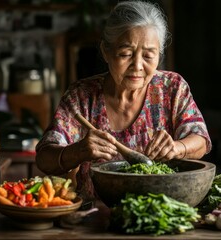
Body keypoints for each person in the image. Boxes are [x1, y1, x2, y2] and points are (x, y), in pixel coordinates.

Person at [35, 0, 211, 200]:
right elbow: (44, 158)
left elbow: (201, 140)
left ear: (159, 55)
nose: (137, 66)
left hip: (160, 208)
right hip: (94, 217)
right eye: (125, 54)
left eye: (148, 56)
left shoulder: (172, 88)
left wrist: (177, 148)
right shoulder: (81, 96)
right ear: (106, 52)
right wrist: (78, 152)